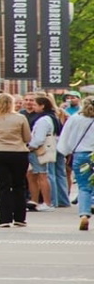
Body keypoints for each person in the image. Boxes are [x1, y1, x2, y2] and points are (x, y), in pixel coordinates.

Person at [0, 92, 32, 227]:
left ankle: (4, 219)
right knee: (19, 185)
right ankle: (20, 218)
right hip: (18, 153)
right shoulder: (20, 118)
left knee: (2, 185)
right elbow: (27, 138)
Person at [57, 96, 94, 231]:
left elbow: (65, 137)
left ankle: (84, 214)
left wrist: (66, 151)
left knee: (84, 186)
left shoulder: (75, 119)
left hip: (81, 154)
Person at [25, 93, 58, 207]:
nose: (33, 107)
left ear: (42, 106)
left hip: (38, 150)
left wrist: (29, 147)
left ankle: (47, 202)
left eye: (35, 104)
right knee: (32, 175)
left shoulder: (43, 120)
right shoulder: (50, 117)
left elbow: (39, 138)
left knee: (42, 175)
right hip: (40, 149)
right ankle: (34, 200)